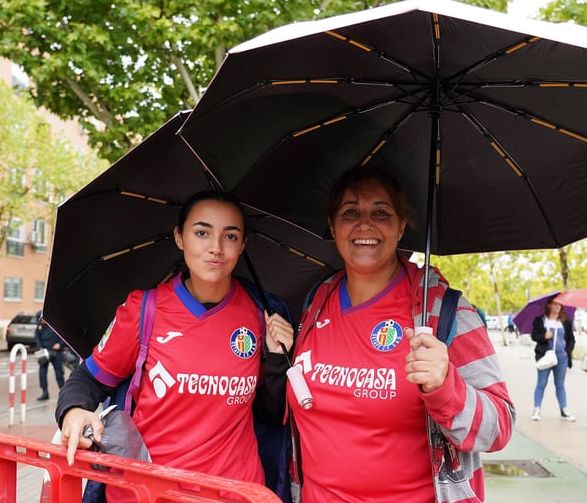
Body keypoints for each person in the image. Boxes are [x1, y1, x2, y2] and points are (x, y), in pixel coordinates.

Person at [287, 167, 515, 502]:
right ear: (333, 226)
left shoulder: (443, 311)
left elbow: (499, 428)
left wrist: (446, 387)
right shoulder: (317, 301)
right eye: (350, 212)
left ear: (401, 226)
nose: (365, 225)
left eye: (381, 213)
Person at [55, 191, 294, 503]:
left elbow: (272, 414)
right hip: (150, 493)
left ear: (243, 244)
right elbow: (90, 378)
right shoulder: (144, 310)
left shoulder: (262, 314)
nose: (216, 247)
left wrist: (278, 359)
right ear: (180, 237)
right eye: (202, 233)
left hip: (236, 493)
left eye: (230, 236)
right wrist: (73, 410)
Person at [530, 296, 576, 422]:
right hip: (545, 356)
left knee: (560, 384)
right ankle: (537, 409)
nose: (557, 307)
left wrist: (567, 351)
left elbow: (571, 339)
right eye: (555, 304)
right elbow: (534, 336)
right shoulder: (540, 320)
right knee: (541, 383)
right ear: (549, 305)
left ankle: (564, 410)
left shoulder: (566, 322)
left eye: (559, 304)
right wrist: (544, 336)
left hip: (561, 357)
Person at [34, 313, 69, 401]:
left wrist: (60, 345)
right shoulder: (39, 327)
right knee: (42, 372)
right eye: (39, 319)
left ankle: (63, 392)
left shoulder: (55, 325)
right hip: (45, 352)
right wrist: (40, 347)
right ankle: (44, 392)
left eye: (41, 319)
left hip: (56, 352)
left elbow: (64, 336)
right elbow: (37, 338)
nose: (41, 321)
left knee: (59, 373)